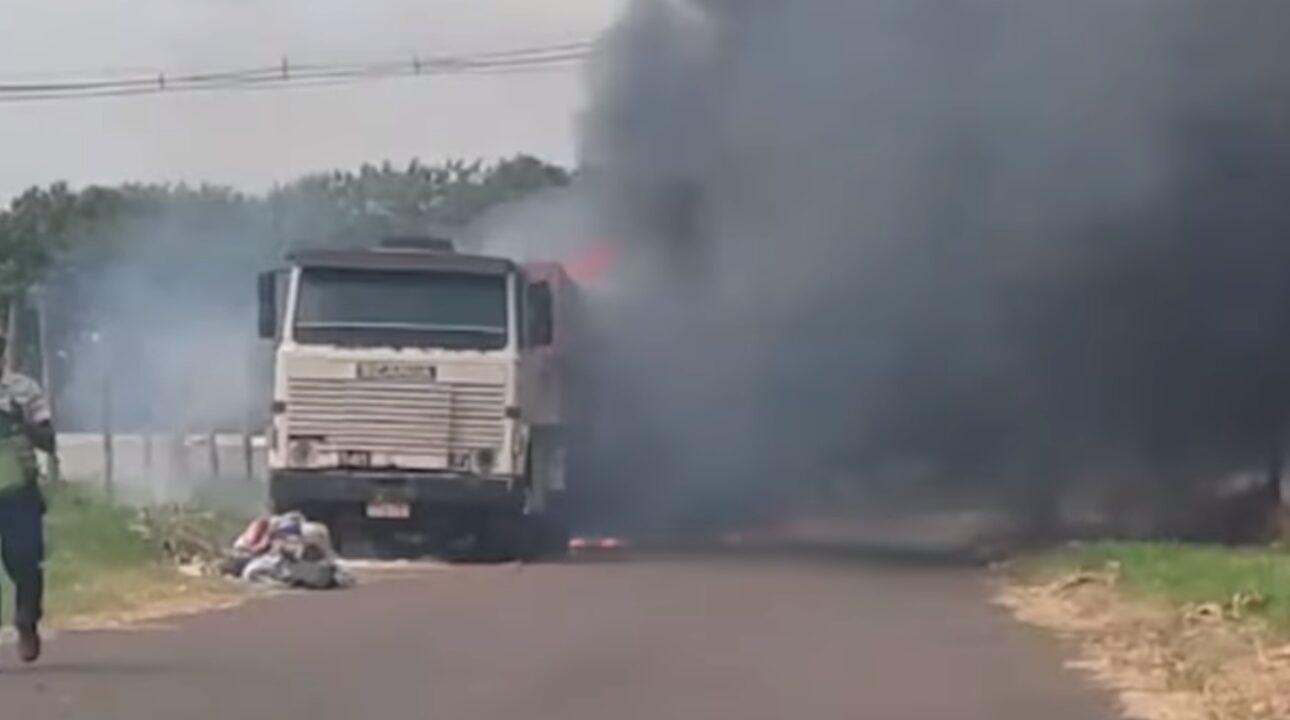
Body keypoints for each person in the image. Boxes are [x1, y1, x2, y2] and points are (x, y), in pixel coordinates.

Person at [0, 330, 55, 664]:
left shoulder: (23, 390)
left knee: (24, 561)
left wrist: (21, 422)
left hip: (18, 490)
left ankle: (27, 619)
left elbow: (49, 440)